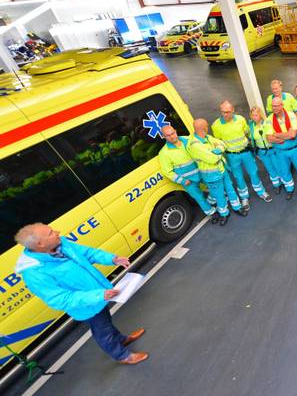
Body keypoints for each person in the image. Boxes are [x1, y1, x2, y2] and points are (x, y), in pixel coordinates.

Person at [15, 223, 148, 364]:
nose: (57, 231)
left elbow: (86, 253)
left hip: (98, 294)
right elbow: (59, 299)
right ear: (40, 244)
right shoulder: (35, 273)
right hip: (87, 305)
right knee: (103, 331)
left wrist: (111, 259)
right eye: (50, 233)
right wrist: (98, 295)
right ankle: (122, 356)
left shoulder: (60, 244)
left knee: (106, 323)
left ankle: (122, 340)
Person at [211, 100, 272, 212]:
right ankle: (244, 198)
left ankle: (261, 191)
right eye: (223, 112)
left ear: (233, 110)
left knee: (253, 172)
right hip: (232, 156)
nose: (225, 114)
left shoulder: (240, 120)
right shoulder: (216, 125)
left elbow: (248, 133)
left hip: (246, 153)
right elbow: (218, 142)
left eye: (228, 112)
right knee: (238, 177)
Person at [188, 118, 244, 225]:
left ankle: (237, 207)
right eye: (206, 126)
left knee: (230, 189)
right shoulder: (195, 145)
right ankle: (224, 214)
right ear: (204, 128)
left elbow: (221, 144)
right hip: (211, 175)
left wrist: (217, 150)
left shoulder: (207, 137)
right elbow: (212, 159)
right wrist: (217, 152)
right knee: (219, 196)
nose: (208, 127)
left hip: (221, 170)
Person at [158, 125, 215, 216]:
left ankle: (212, 200)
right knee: (199, 197)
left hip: (202, 172)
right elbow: (167, 172)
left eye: (173, 133)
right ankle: (211, 212)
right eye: (168, 135)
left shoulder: (188, 139)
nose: (172, 136)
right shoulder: (164, 153)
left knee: (214, 186)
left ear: (176, 131)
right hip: (188, 180)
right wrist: (183, 181)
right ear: (164, 137)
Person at [265, 97, 297, 199]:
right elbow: (269, 138)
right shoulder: (269, 119)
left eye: (276, 106)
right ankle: (289, 189)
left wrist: (276, 134)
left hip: (295, 149)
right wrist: (286, 135)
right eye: (273, 106)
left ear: (282, 105)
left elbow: (293, 134)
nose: (274, 108)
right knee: (284, 171)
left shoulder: (291, 115)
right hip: (280, 151)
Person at [248, 106, 282, 194]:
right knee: (270, 169)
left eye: (256, 115)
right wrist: (256, 152)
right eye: (252, 115)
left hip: (273, 149)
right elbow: (252, 139)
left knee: (278, 166)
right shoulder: (251, 126)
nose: (254, 117)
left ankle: (285, 183)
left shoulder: (267, 123)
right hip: (262, 152)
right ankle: (276, 184)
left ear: (260, 115)